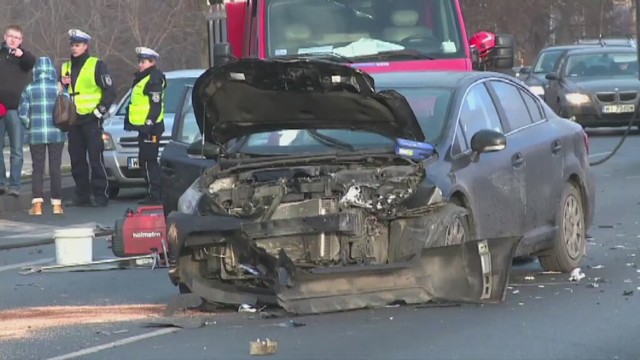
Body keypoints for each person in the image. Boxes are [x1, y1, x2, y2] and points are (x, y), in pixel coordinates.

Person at [60, 29, 116, 207]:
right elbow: (60, 90)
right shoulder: (66, 66)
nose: (74, 48)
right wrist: (62, 84)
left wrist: (99, 112)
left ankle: (101, 195)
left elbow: (110, 91)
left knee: (95, 158)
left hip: (91, 118)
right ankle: (82, 195)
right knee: (76, 159)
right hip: (73, 119)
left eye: (77, 45)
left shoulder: (96, 64)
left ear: (85, 46)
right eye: (72, 45)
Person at [18, 57, 67, 215]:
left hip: (36, 134)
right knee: (55, 168)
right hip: (56, 133)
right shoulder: (59, 87)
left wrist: (29, 125)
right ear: (52, 69)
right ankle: (57, 204)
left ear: (36, 70)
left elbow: (23, 113)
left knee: (37, 168)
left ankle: (37, 204)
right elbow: (67, 108)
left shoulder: (29, 89)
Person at [124, 47, 166, 205]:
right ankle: (152, 193)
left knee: (149, 161)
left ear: (152, 62)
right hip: (144, 128)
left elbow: (155, 106)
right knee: (145, 160)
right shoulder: (143, 78)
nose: (140, 65)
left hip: (151, 128)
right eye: (140, 61)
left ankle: (155, 195)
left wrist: (148, 125)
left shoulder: (153, 78)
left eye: (143, 62)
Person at [0, 25, 36, 196]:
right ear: (5, 37)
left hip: (16, 109)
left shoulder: (24, 58)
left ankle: (15, 184)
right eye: (10, 36)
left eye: (17, 37)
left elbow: (31, 61)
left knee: (16, 149)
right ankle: (1, 182)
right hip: (0, 107)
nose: (13, 40)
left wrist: (22, 55)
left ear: (21, 41)